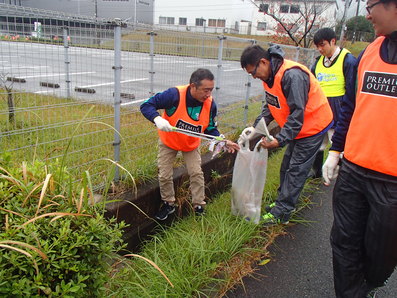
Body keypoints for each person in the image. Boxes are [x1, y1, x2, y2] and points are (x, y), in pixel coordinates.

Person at [322, 0, 397, 296]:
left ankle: (372, 282)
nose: (366, 14)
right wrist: (335, 152)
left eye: (371, 5)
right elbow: (351, 107)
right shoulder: (369, 53)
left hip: (391, 182)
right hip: (354, 170)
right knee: (343, 242)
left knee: (382, 254)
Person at [239, 44, 333, 226]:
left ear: (264, 62)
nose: (254, 77)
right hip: (299, 128)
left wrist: (279, 140)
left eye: (253, 72)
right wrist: (256, 128)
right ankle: (283, 201)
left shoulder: (292, 75)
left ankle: (283, 212)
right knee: (287, 165)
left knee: (296, 169)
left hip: (313, 125)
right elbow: (272, 105)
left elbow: (297, 113)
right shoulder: (269, 77)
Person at [140, 68, 239, 221]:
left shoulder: (210, 104)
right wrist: (157, 119)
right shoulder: (174, 95)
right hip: (169, 141)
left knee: (196, 173)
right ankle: (168, 204)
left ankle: (199, 205)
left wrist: (223, 140)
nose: (208, 94)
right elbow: (146, 105)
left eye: (211, 90)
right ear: (193, 86)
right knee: (165, 174)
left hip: (190, 144)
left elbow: (210, 128)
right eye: (205, 90)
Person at [310, 28, 357, 178]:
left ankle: (342, 177)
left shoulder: (348, 60)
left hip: (339, 111)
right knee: (318, 143)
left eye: (322, 45)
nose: (319, 49)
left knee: (339, 146)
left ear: (333, 41)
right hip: (320, 111)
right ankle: (316, 172)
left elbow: (352, 91)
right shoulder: (317, 63)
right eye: (317, 46)